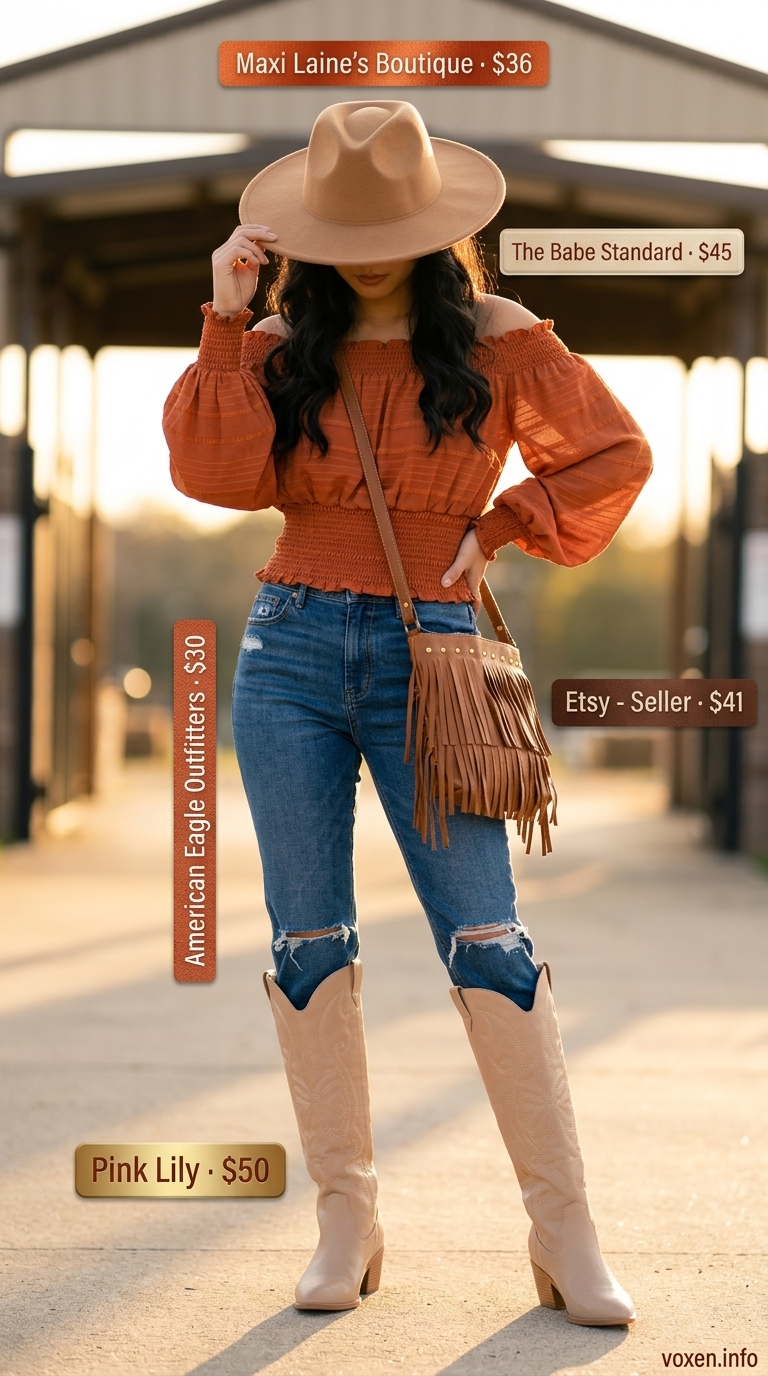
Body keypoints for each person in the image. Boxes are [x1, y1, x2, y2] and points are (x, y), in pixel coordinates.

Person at [164, 100, 652, 1324]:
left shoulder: (498, 336)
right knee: (306, 938)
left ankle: (565, 1231)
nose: (371, 245)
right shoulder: (281, 339)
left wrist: (496, 528)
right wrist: (226, 318)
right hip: (286, 652)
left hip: (432, 654)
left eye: (392, 221)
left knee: (486, 935)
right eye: (351, 223)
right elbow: (216, 474)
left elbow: (609, 454)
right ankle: (349, 1216)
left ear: (438, 224)